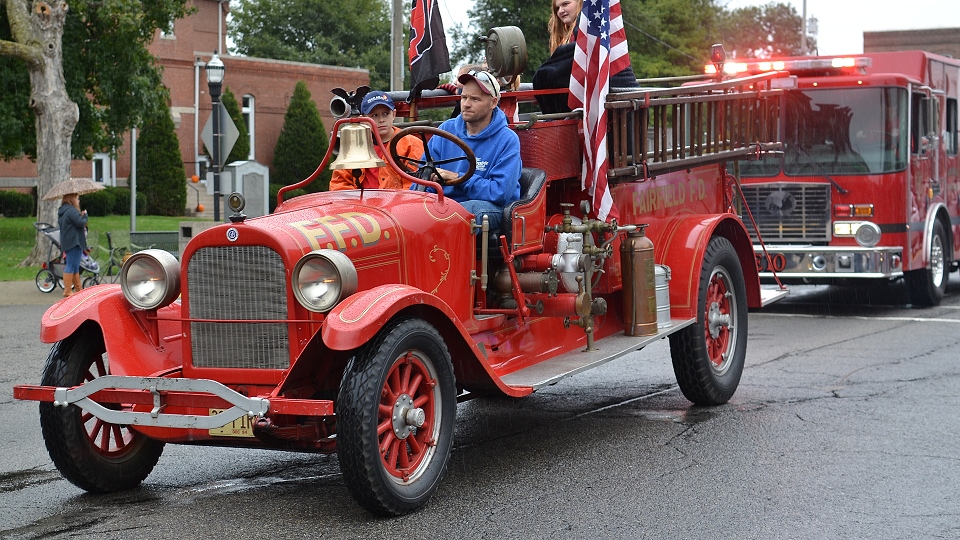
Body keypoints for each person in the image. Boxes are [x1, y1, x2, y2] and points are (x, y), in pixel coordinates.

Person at [428, 70, 522, 233]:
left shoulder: (507, 139)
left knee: (460, 214)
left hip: (490, 206)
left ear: (493, 102)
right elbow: (424, 172)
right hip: (447, 203)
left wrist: (458, 178)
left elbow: (500, 193)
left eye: (475, 99)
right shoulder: (445, 130)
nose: (466, 104)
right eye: (464, 97)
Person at [533, 0, 639, 114]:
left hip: (622, 106)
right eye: (557, 8)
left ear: (580, 3)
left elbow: (550, 75)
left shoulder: (591, 27)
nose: (560, 11)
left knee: (544, 77)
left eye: (565, 4)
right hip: (624, 104)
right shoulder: (578, 35)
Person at [329, 91, 424, 191]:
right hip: (361, 204)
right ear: (363, 119)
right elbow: (339, 183)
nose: (381, 119)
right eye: (374, 115)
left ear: (394, 114)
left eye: (386, 114)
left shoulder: (411, 144)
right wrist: (357, 203)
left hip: (395, 204)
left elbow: (414, 186)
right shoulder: (355, 145)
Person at [57, 192, 88, 297]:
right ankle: (67, 290)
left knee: (75, 266)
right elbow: (80, 222)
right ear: (72, 199)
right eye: (77, 198)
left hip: (68, 241)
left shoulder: (63, 210)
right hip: (74, 242)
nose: (78, 201)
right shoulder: (71, 210)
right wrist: (85, 216)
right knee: (71, 265)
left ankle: (78, 289)